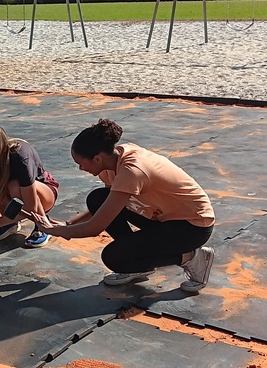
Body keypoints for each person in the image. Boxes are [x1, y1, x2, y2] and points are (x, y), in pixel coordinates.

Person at [43, 119, 215, 292]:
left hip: (193, 226)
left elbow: (94, 228)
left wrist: (56, 231)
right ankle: (138, 264)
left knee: (114, 258)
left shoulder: (132, 171)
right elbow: (107, 206)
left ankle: (191, 257)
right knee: (97, 198)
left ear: (97, 158)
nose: (80, 168)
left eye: (81, 164)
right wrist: (69, 225)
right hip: (164, 217)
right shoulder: (112, 161)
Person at [0, 123, 59, 248]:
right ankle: (10, 223)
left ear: (2, 149)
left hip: (44, 193)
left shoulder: (20, 157)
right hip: (17, 195)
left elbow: (30, 206)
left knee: (14, 185)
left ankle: (43, 225)